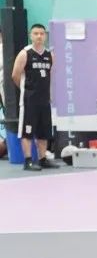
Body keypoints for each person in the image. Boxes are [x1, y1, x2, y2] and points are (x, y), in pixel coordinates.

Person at [11, 23, 57, 171]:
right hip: (29, 100)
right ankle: (28, 160)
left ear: (45, 36)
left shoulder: (50, 55)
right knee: (27, 131)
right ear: (31, 35)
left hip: (44, 100)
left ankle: (43, 159)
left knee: (44, 131)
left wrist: (49, 94)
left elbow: (50, 77)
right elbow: (15, 75)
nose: (39, 36)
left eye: (42, 34)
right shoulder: (25, 53)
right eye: (36, 33)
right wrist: (26, 90)